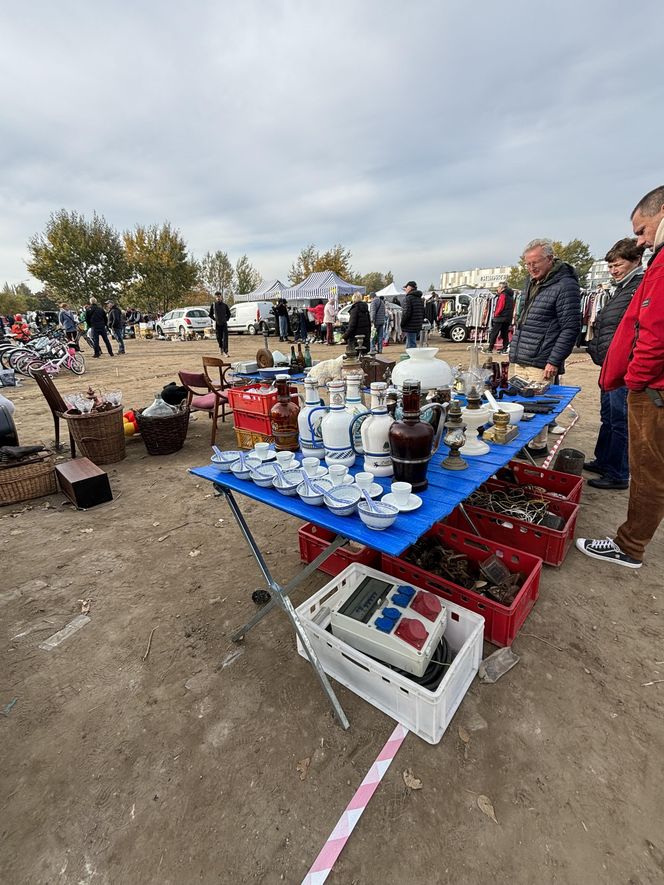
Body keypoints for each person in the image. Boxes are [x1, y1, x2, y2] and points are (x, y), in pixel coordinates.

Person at [577, 185, 664, 569]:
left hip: (651, 388)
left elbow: (654, 331)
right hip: (643, 383)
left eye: (643, 230)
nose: (641, 241)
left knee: (648, 471)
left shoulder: (660, 266)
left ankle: (629, 547)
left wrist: (636, 379)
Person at [509, 239, 581, 457]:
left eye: (535, 263)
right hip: (522, 355)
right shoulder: (531, 282)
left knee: (538, 406)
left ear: (550, 259)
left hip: (541, 359)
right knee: (520, 404)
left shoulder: (565, 286)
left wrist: (554, 360)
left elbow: (570, 328)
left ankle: (538, 448)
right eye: (527, 264)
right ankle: (526, 444)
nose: (531, 268)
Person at [584, 238, 645, 490]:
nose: (613, 271)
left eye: (617, 265)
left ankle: (619, 473)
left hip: (624, 367)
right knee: (608, 416)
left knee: (620, 420)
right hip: (610, 364)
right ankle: (604, 460)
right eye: (609, 267)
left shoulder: (639, 286)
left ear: (636, 261)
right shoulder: (621, 287)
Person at [487, 282, 514, 354]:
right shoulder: (510, 296)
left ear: (502, 288)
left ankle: (490, 348)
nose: (497, 289)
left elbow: (500, 306)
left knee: (494, 333)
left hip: (501, 317)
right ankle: (505, 348)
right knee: (504, 333)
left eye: (498, 287)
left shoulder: (503, 295)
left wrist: (496, 314)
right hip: (507, 317)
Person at [401, 281, 424, 348]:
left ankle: (413, 357)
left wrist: (402, 324)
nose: (405, 289)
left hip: (410, 325)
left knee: (411, 345)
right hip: (417, 325)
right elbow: (423, 312)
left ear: (410, 287)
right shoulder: (419, 298)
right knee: (411, 343)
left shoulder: (408, 298)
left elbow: (406, 313)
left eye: (406, 287)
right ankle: (411, 356)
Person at [209, 291, 231, 356]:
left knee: (225, 338)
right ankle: (220, 348)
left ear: (221, 297)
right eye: (217, 297)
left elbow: (229, 314)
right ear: (215, 298)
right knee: (219, 338)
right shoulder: (213, 305)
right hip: (217, 324)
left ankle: (225, 352)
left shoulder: (225, 305)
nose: (218, 298)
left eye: (219, 296)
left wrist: (226, 319)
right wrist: (215, 319)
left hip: (224, 324)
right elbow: (210, 314)